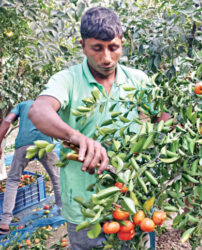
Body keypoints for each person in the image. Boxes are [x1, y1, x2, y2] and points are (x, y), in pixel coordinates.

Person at [28, 7, 169, 249]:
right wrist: (76, 136)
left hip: (133, 203)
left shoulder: (139, 80)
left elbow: (161, 117)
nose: (106, 58)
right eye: (97, 48)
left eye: (113, 47)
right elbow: (38, 111)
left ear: (122, 44)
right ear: (82, 45)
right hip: (85, 206)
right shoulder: (67, 80)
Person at [0, 100, 62, 235]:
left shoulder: (22, 104)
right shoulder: (50, 104)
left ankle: (4, 222)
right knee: (57, 177)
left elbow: (6, 122)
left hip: (23, 144)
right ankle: (64, 212)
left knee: (13, 180)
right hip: (44, 144)